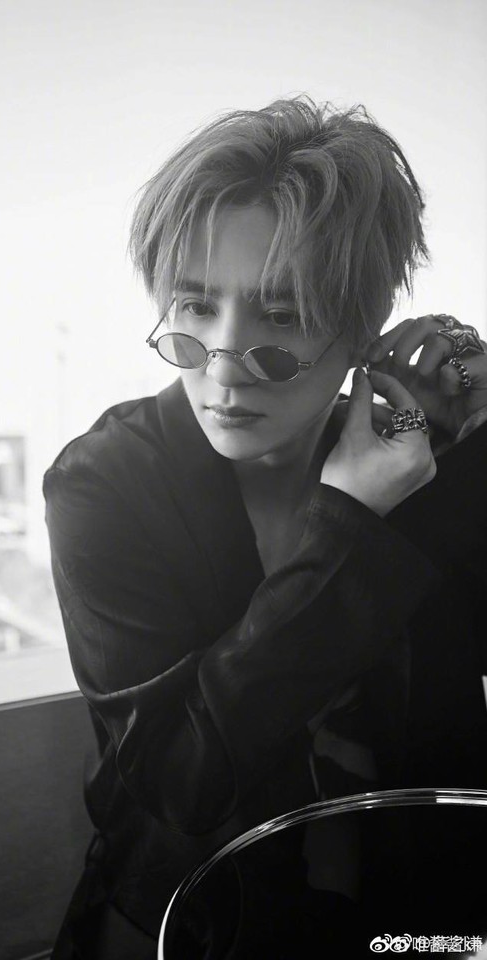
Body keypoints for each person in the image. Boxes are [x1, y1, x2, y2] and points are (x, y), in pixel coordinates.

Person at [43, 97, 487, 958]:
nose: (223, 365)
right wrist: (349, 527)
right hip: (200, 929)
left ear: (361, 331)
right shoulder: (105, 485)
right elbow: (180, 780)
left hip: (421, 928)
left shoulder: (421, 459)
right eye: (194, 306)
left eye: (281, 316)